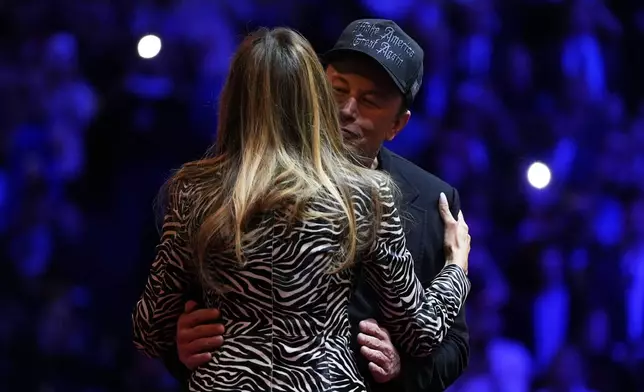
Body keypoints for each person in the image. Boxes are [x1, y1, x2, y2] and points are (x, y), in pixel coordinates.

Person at [165, 20, 471, 391]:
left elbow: (453, 346)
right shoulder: (233, 181)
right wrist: (178, 341)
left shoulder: (432, 199)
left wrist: (400, 368)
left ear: (397, 125)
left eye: (370, 100)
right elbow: (165, 313)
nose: (345, 109)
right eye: (336, 89)